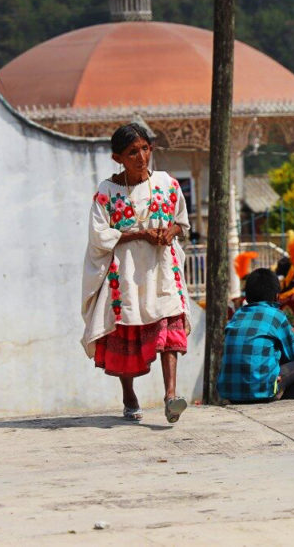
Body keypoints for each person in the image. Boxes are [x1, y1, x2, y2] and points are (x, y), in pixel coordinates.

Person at [81, 123, 191, 424]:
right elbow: (99, 235)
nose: (141, 157)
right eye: (132, 152)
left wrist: (170, 232)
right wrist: (138, 234)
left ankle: (171, 395)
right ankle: (129, 395)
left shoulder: (168, 184)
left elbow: (182, 222)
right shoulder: (106, 192)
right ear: (118, 158)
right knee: (126, 329)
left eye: (144, 149)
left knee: (170, 322)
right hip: (126, 274)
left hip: (162, 269)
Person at [218, 268, 294, 403]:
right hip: (261, 391)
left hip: (230, 392)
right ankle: (287, 406)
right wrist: (293, 335)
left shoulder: (237, 315)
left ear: (246, 297)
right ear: (276, 296)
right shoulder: (277, 316)